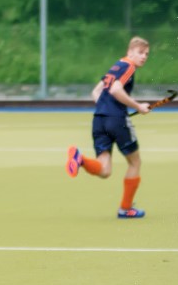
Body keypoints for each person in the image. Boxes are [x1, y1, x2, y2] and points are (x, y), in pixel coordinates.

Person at [65, 36, 151, 218]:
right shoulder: (129, 66)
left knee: (104, 170)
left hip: (99, 119)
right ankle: (125, 209)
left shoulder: (115, 67)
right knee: (135, 162)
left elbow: (96, 92)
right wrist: (138, 106)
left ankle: (80, 159)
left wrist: (107, 109)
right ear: (130, 52)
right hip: (116, 120)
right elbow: (115, 90)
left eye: (146, 54)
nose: (144, 56)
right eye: (140, 52)